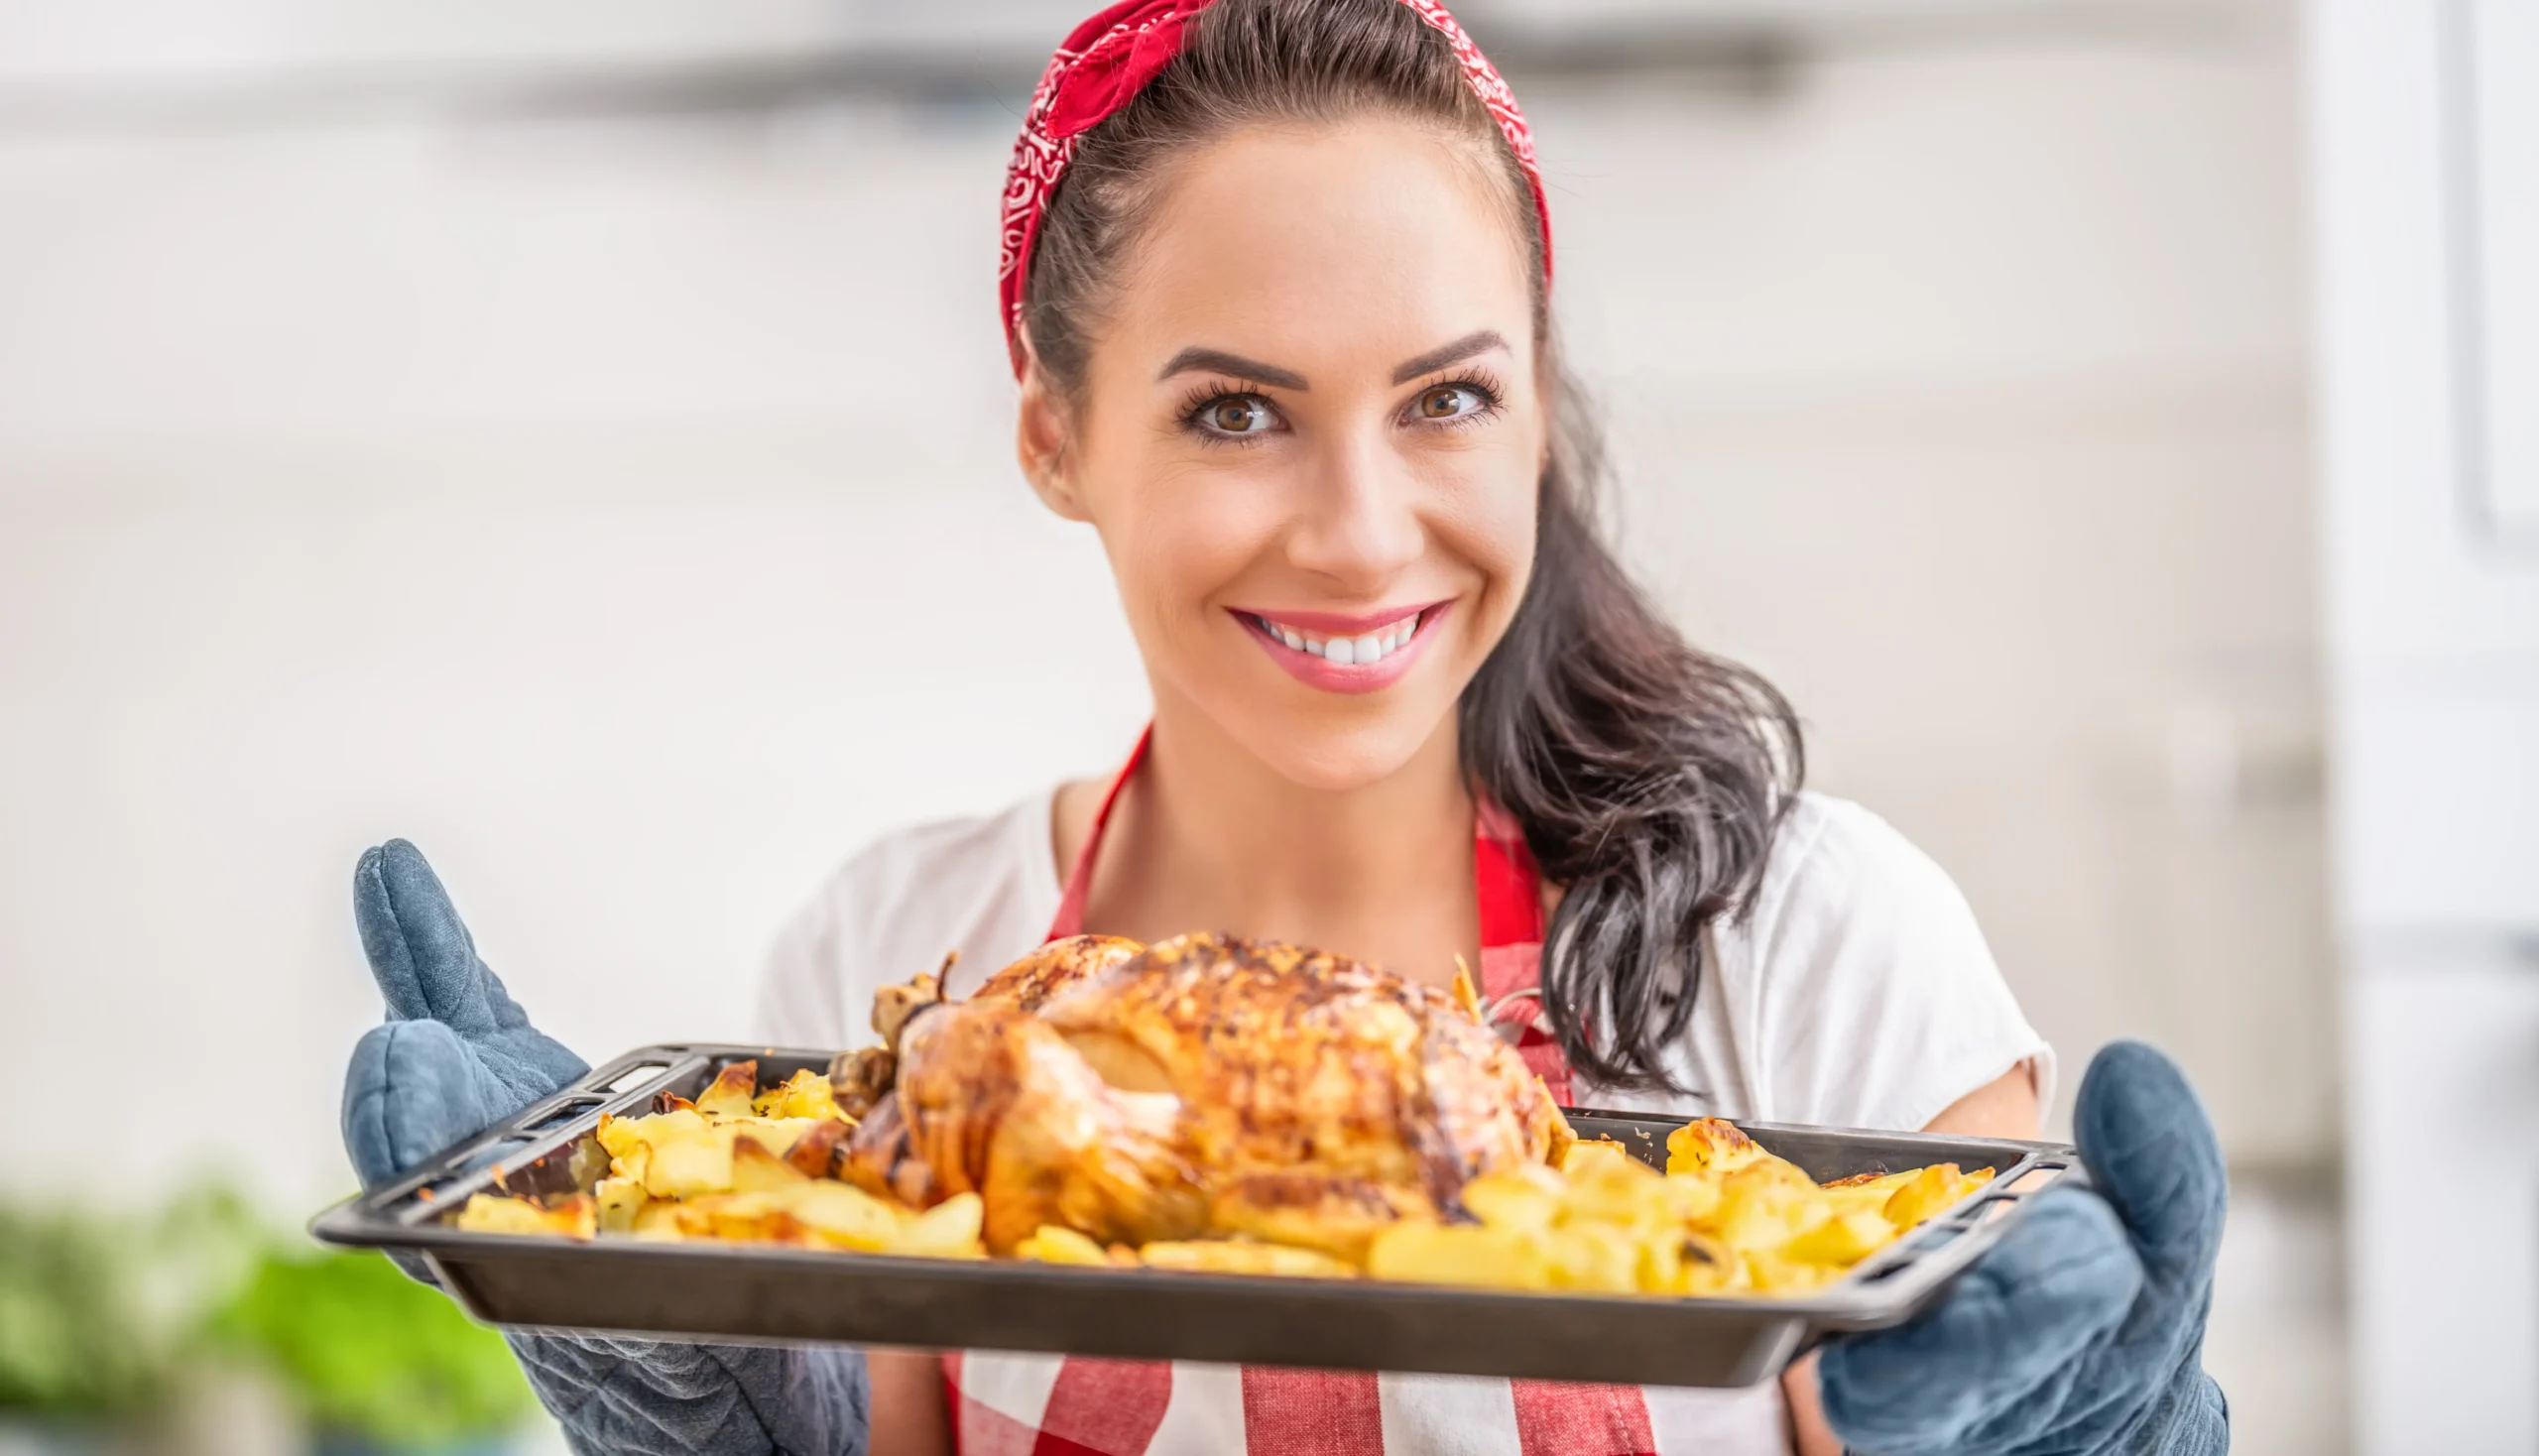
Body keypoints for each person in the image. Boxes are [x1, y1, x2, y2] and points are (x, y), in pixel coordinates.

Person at [338, 1, 2232, 1451]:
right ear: (1056, 437)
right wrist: (685, 1372)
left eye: (1448, 400)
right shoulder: (888, 963)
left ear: (1539, 413)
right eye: (1237, 411)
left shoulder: (1810, 953)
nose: (1357, 532)